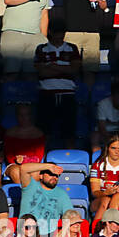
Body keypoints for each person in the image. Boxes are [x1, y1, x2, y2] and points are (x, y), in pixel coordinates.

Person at [0, 0, 53, 82]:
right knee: (11, 72)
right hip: (14, 33)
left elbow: (44, 14)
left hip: (35, 37)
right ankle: (7, 100)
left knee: (32, 74)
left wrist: (43, 39)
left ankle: (29, 101)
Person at [33, 20, 80, 148]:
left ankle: (70, 158)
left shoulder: (72, 48)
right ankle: (42, 158)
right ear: (51, 33)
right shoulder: (41, 48)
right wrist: (64, 68)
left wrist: (53, 66)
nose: (60, 36)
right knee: (45, 130)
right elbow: (41, 72)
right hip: (46, 94)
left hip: (67, 94)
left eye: (62, 33)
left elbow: (74, 69)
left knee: (69, 131)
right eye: (58, 33)